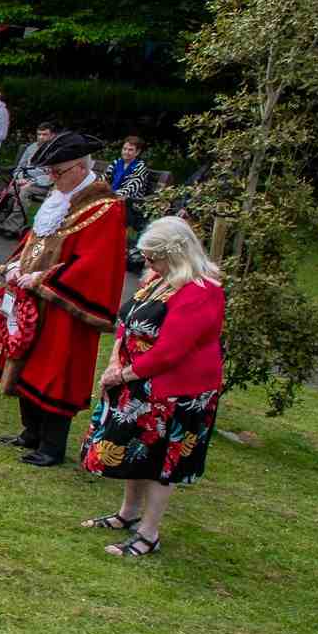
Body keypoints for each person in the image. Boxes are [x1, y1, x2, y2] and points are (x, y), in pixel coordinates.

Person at [78, 216, 225, 559]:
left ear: (177, 255)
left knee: (163, 462)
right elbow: (127, 321)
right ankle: (128, 513)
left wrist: (123, 375)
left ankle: (150, 531)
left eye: (154, 257)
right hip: (140, 382)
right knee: (137, 451)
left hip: (178, 393)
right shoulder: (157, 280)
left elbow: (171, 351)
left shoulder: (202, 292)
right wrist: (116, 359)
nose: (148, 263)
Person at [0, 132, 128, 466]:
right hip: (31, 300)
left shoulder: (105, 208)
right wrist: (15, 262)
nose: (52, 178)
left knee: (55, 371)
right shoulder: (60, 197)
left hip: (64, 307)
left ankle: (52, 446)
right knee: (25, 361)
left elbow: (97, 264)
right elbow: (37, 239)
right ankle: (30, 432)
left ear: (80, 168)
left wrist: (42, 280)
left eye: (57, 172)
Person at [12, 121, 60, 213]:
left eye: (45, 134)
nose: (41, 137)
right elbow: (19, 168)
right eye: (39, 134)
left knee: (24, 192)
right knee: (10, 191)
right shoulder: (31, 148)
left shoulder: (56, 152)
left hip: (44, 185)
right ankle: (1, 218)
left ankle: (13, 224)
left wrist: (32, 181)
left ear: (52, 136)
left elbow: (52, 175)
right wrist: (21, 178)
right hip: (24, 181)